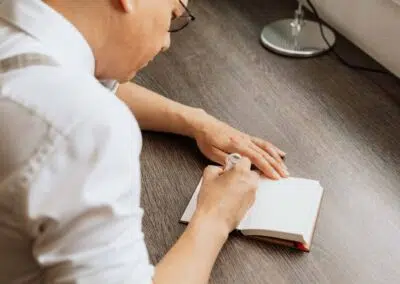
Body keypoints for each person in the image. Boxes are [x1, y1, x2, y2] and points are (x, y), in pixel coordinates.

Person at [0, 0, 289, 283]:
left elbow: (67, 81)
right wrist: (216, 217)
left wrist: (195, 121)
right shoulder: (86, 125)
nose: (166, 43)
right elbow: (74, 108)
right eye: (173, 14)